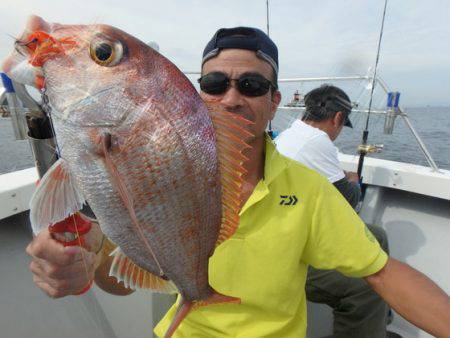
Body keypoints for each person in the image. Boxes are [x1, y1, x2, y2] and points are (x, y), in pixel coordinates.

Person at [26, 27, 450, 338]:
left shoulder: (308, 189)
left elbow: (382, 273)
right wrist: (89, 261)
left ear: (275, 101)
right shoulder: (158, 165)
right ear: (197, 95)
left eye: (252, 85)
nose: (231, 98)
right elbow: (117, 278)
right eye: (214, 84)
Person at [276, 85, 393, 337]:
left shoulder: (292, 134)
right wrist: (352, 180)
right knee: (368, 289)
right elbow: (349, 201)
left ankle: (378, 322)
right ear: (338, 117)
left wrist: (344, 179)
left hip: (292, 232)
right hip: (289, 255)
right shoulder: (317, 140)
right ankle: (374, 314)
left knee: (376, 235)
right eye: (342, 124)